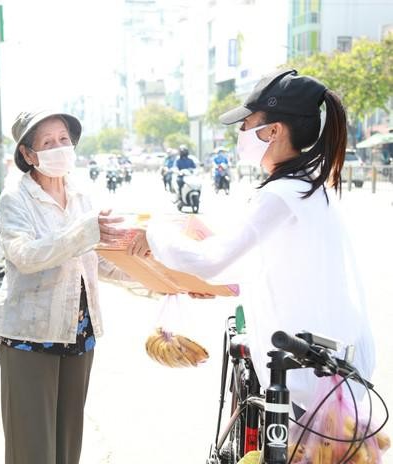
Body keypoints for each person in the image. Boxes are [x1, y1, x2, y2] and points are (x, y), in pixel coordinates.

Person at [127, 69, 375, 409]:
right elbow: (274, 265)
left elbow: (212, 261)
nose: (241, 134)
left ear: (273, 131)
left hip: (308, 373)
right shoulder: (307, 187)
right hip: (326, 366)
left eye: (246, 125)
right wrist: (214, 282)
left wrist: (153, 233)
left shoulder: (283, 194)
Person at [0, 109, 129, 464]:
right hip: (30, 336)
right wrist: (84, 231)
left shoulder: (82, 194)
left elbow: (96, 260)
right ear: (27, 154)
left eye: (64, 139)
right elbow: (25, 255)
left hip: (79, 332)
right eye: (47, 142)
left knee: (68, 448)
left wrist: (163, 281)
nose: (59, 148)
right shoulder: (16, 197)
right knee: (32, 451)